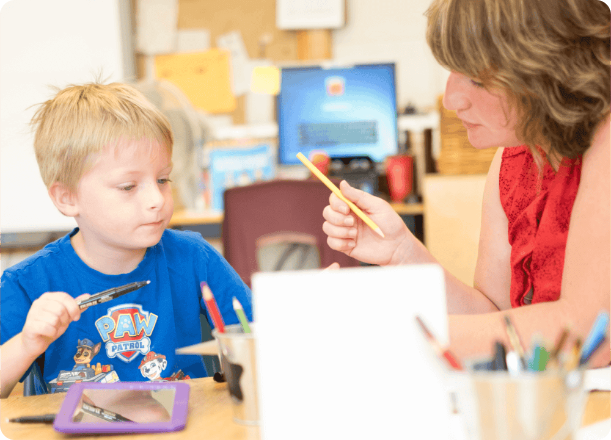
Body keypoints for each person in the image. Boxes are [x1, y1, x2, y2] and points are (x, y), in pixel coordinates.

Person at [323, 0, 610, 368]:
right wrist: (403, 253)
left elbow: (586, 334)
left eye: (475, 76)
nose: (452, 98)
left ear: (545, 69)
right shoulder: (512, 158)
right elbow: (493, 317)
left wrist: (379, 324)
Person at [0, 82, 252, 398]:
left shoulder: (194, 257)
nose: (156, 200)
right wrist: (27, 343)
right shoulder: (27, 282)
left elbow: (258, 335)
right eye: (128, 186)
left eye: (163, 180)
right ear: (67, 198)